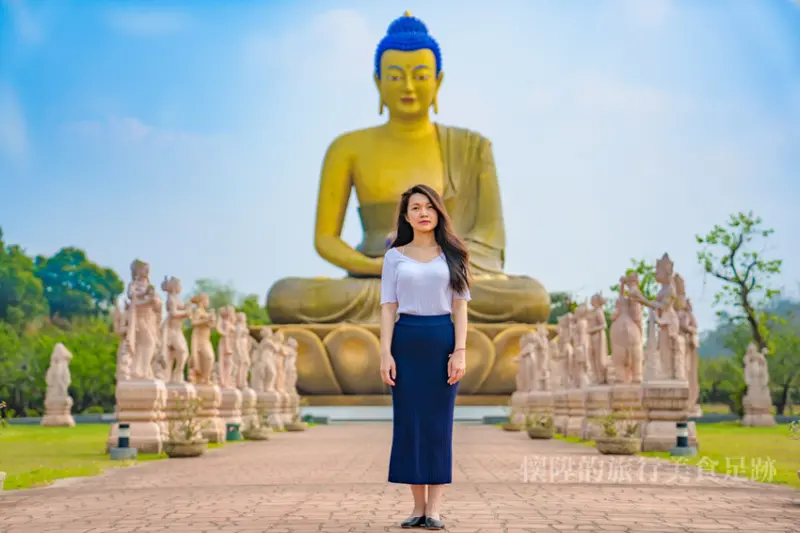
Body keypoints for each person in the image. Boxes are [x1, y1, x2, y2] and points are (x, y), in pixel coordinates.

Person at [379, 183, 470, 530]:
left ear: (438, 212)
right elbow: (388, 307)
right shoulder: (394, 256)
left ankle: (435, 509)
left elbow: (460, 307)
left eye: (429, 206)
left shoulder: (454, 255)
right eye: (415, 207)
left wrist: (459, 351)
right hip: (407, 340)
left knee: (437, 425)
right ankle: (417, 508)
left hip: (441, 339)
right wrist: (385, 352)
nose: (423, 213)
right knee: (409, 425)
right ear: (406, 216)